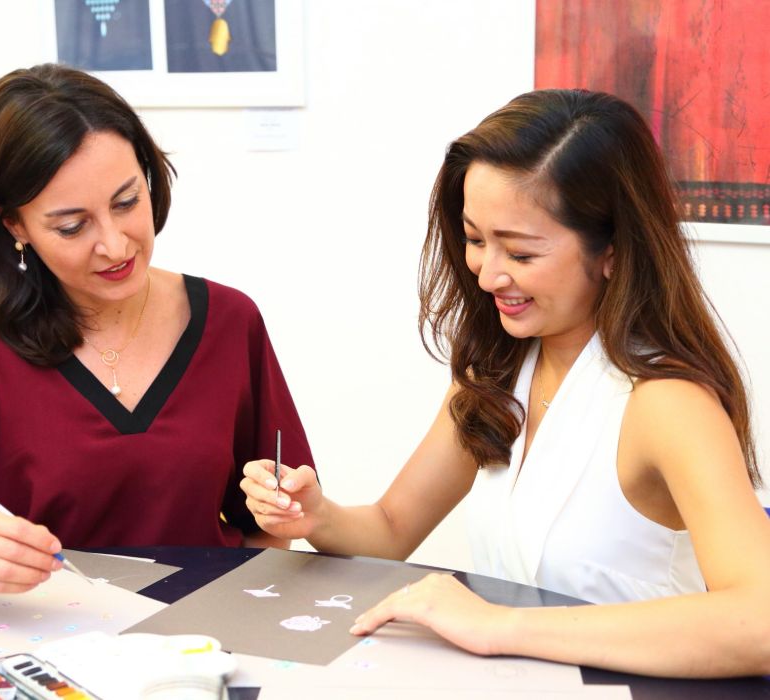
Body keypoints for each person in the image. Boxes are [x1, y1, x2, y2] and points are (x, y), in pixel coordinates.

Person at [241, 89, 770, 677]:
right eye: (474, 239)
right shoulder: (495, 374)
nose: (489, 274)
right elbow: (391, 530)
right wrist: (317, 516)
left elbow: (760, 621)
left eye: (519, 252)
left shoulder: (666, 403)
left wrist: (497, 624)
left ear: (612, 252)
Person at [0, 63, 313, 595]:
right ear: (13, 223)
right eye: (72, 226)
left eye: (127, 202)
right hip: (53, 658)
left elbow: (272, 524)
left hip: (201, 653)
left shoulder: (230, 322)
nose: (116, 245)